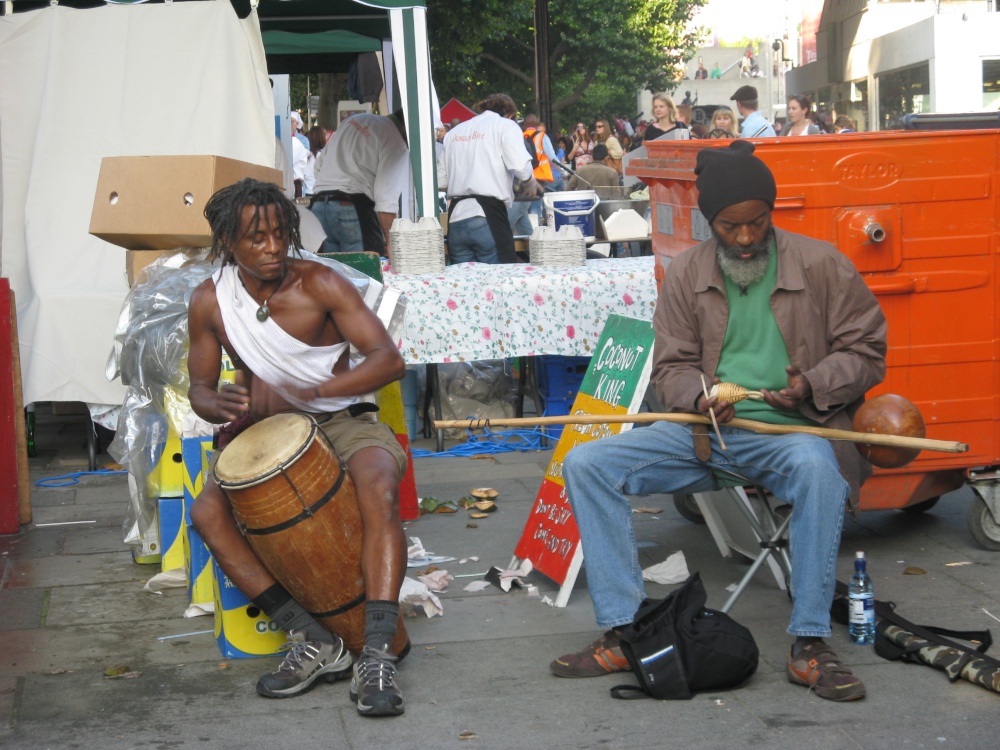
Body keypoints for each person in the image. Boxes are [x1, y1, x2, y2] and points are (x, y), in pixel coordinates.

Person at [550, 140, 886, 705]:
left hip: (789, 431)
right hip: (704, 434)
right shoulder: (687, 272)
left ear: (771, 215)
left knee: (820, 473)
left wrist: (812, 383)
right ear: (712, 223)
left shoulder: (822, 264)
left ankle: (809, 643)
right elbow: (671, 365)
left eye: (757, 223)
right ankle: (627, 630)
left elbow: (867, 351)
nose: (747, 238)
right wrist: (699, 397)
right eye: (732, 227)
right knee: (587, 463)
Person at [188, 178, 410, 717]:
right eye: (254, 238)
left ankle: (377, 650)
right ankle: (312, 639)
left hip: (341, 419)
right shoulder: (210, 301)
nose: (271, 248)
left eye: (279, 234)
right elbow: (199, 388)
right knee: (207, 513)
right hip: (265, 428)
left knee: (378, 485)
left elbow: (387, 359)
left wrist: (311, 391)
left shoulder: (322, 283)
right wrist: (218, 404)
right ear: (227, 244)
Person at [442, 93, 541, 264]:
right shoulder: (506, 126)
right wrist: (530, 181)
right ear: (510, 115)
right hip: (487, 215)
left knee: (465, 285)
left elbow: (441, 179)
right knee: (496, 283)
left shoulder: (454, 133)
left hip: (456, 218)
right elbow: (520, 167)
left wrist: (464, 180)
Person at [310, 111, 409, 262]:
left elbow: (318, 167)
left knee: (333, 275)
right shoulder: (395, 142)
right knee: (364, 274)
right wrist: (391, 242)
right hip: (352, 205)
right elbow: (385, 200)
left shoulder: (355, 119)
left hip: (319, 203)